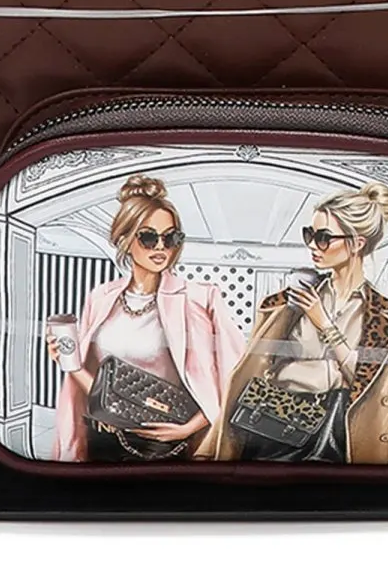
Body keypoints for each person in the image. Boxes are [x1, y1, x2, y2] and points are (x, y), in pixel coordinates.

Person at [198, 179, 388, 464]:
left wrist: (325, 326)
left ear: (357, 244)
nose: (312, 245)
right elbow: (259, 371)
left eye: (323, 237)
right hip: (273, 433)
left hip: (346, 443)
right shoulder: (284, 304)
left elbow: (377, 387)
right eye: (309, 234)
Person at [50, 173, 244, 462]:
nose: (161, 247)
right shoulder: (101, 297)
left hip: (172, 447)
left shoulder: (201, 297)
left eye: (171, 238)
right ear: (125, 239)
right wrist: (71, 364)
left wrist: (190, 427)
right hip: (105, 440)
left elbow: (236, 373)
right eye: (149, 237)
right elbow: (98, 385)